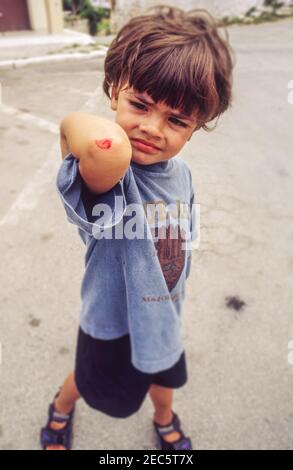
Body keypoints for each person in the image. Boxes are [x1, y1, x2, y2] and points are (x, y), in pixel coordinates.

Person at [40, 5, 234, 450]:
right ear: (113, 92)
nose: (151, 128)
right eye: (139, 104)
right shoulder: (110, 171)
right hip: (109, 323)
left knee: (165, 376)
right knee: (88, 382)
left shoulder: (180, 173)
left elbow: (178, 244)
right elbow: (100, 145)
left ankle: (164, 419)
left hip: (164, 314)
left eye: (177, 120)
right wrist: (69, 123)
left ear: (196, 127)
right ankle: (61, 407)